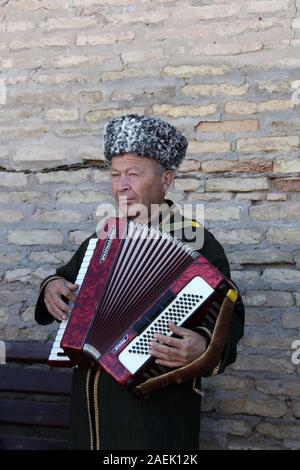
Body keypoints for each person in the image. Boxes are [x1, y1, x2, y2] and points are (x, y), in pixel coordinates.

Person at [35, 114, 244, 450]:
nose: (121, 185)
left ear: (167, 179)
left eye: (134, 173)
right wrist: (52, 285)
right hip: (89, 414)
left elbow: (229, 321)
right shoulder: (102, 239)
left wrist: (203, 346)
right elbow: (65, 277)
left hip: (155, 419)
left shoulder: (199, 244)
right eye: (116, 174)